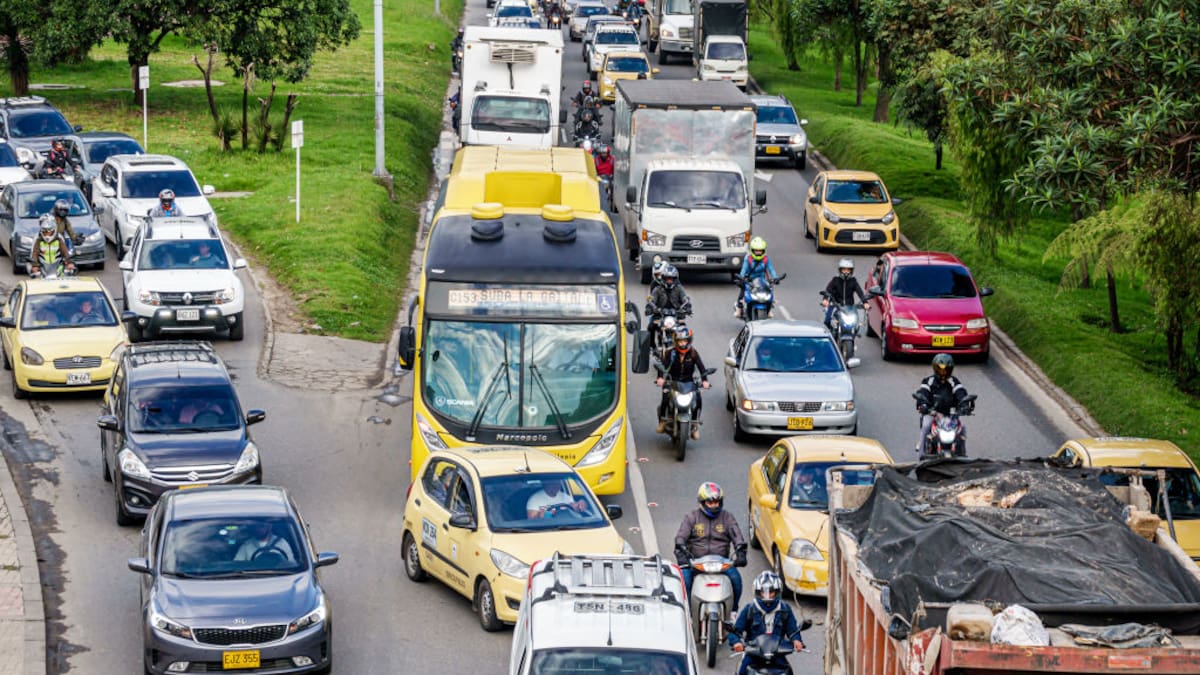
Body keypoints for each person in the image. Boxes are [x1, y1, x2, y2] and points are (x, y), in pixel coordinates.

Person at [674, 482, 747, 609]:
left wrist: (741, 551)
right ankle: (688, 612)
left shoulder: (727, 517)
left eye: (717, 502)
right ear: (702, 502)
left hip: (721, 563)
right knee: (684, 581)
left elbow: (737, 536)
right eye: (710, 502)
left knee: (736, 579)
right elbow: (681, 537)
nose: (714, 506)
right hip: (695, 562)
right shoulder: (691, 517)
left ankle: (733, 611)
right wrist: (682, 554)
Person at [729, 571, 806, 674]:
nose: (767, 596)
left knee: (788, 672)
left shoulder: (785, 609)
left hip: (777, 653)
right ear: (758, 592)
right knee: (742, 671)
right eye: (763, 592)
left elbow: (792, 630)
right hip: (754, 653)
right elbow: (735, 630)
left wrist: (797, 640)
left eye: (771, 592)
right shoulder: (750, 609)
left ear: (777, 592)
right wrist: (736, 642)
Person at [655, 326, 710, 439]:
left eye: (684, 340)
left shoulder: (693, 353)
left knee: (698, 399)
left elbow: (702, 368)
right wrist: (660, 378)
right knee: (665, 397)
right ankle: (662, 422)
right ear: (676, 341)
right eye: (680, 341)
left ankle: (695, 424)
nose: (682, 343)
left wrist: (705, 381)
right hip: (673, 381)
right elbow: (662, 366)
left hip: (688, 382)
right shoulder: (670, 353)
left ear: (689, 340)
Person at [914, 353, 971, 454]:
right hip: (932, 413)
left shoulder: (954, 381)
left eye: (946, 369)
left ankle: (962, 453)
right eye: (940, 369)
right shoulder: (928, 381)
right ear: (935, 368)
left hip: (950, 415)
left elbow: (961, 392)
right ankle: (922, 455)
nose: (943, 372)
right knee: (926, 426)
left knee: (962, 428)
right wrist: (923, 404)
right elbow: (923, 393)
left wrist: (965, 404)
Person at [646, 264, 690, 352]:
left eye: (671, 279)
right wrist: (651, 308)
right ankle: (652, 346)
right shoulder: (657, 289)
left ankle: (684, 348)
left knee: (684, 329)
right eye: (667, 278)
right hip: (660, 314)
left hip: (676, 314)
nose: (669, 281)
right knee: (651, 326)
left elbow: (685, 298)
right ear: (663, 278)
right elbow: (652, 300)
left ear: (675, 279)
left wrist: (687, 306)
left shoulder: (679, 288)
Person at [735, 236, 780, 318]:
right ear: (752, 250)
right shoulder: (748, 259)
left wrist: (775, 277)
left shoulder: (766, 259)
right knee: (743, 291)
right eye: (756, 251)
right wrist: (741, 278)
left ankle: (769, 309)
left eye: (760, 251)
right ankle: (739, 307)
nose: (758, 252)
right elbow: (744, 269)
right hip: (750, 280)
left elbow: (771, 269)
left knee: (770, 290)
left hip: (762, 281)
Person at [821, 257, 870, 329]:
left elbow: (860, 293)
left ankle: (853, 332)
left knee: (855, 323)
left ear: (851, 271)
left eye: (848, 270)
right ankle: (828, 337)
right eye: (844, 269)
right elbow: (828, 290)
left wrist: (865, 302)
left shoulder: (853, 281)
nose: (846, 272)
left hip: (849, 307)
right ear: (840, 270)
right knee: (827, 321)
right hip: (835, 305)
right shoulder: (835, 280)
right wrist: (825, 299)